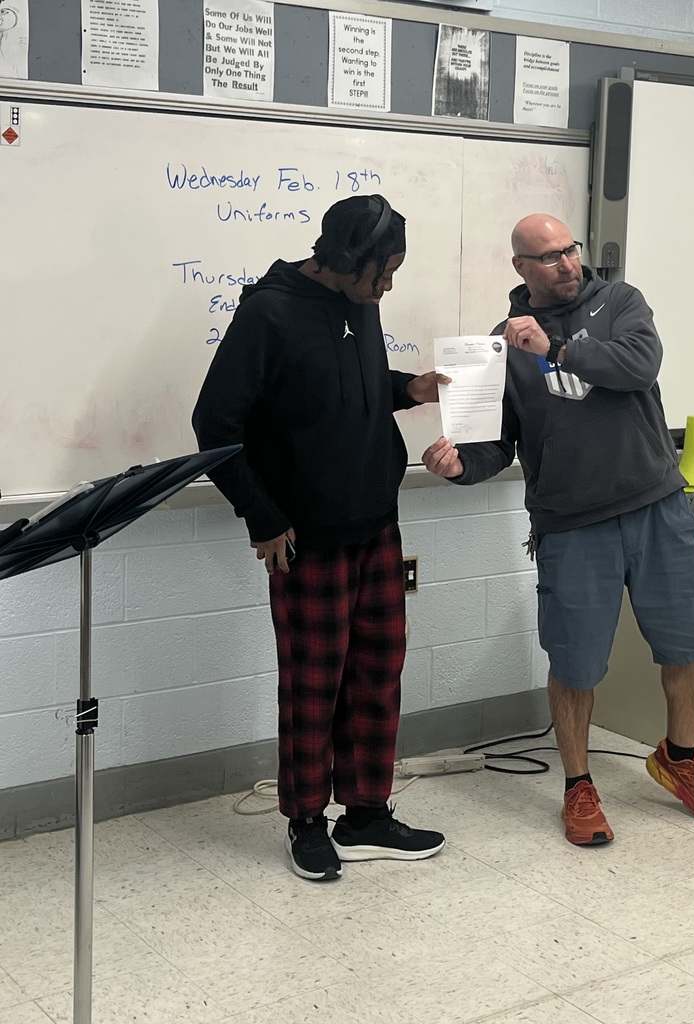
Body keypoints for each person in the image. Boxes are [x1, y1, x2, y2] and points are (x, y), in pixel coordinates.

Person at [422, 214, 694, 846]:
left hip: (656, 505)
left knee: (690, 643)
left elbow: (637, 367)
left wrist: (558, 349)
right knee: (575, 663)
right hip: (570, 524)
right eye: (548, 257)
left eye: (570, 250)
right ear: (520, 268)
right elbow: (497, 444)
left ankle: (680, 759)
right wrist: (460, 466)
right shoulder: (499, 345)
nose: (566, 264)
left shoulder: (621, 302)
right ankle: (578, 785)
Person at [193, 194, 448, 881]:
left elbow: (348, 386)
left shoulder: (359, 302)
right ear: (342, 259)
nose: (388, 285)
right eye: (382, 272)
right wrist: (262, 516)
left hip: (376, 522)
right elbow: (215, 425)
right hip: (305, 536)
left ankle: (365, 813)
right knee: (314, 685)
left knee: (377, 673)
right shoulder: (268, 313)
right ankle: (305, 821)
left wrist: (408, 387)